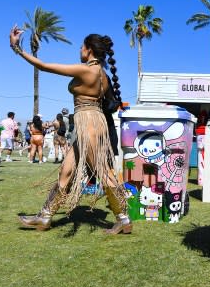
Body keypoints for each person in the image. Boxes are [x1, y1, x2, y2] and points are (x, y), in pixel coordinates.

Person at [9, 26, 131, 234]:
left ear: (89, 49)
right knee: (66, 170)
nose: (80, 51)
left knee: (103, 172)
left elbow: (45, 66)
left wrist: (17, 49)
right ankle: (45, 216)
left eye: (82, 47)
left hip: (88, 122)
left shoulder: (86, 70)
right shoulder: (102, 74)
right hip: (94, 121)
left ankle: (123, 219)